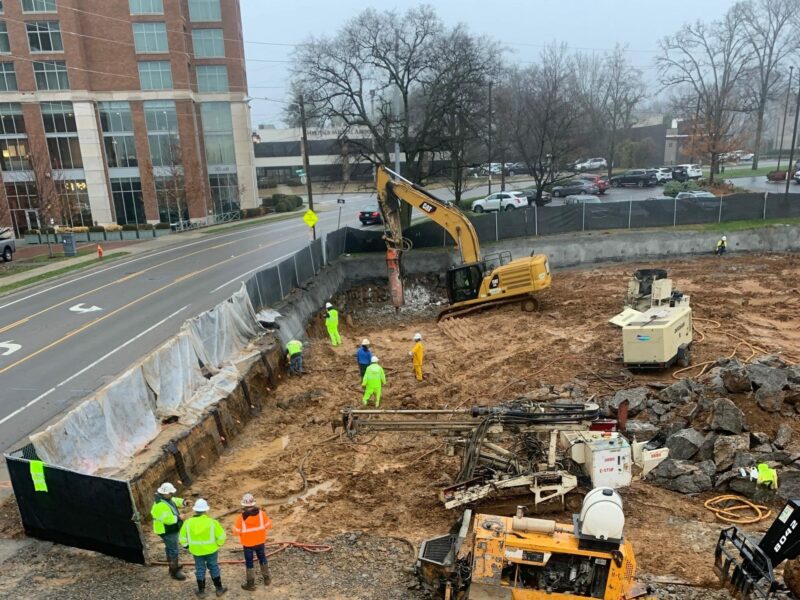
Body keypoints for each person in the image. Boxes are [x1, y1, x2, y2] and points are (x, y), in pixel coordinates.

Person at [179, 499, 227, 597]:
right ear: (206, 510)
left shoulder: (187, 523)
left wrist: (187, 546)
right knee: (214, 567)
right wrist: (218, 544)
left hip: (197, 551)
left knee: (200, 569)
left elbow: (182, 537)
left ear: (195, 510)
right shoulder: (212, 522)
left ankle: (201, 592)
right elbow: (221, 536)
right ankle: (219, 589)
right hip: (211, 550)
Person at [233, 493, 273, 590]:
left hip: (247, 544)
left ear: (244, 505)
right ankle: (267, 579)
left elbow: (236, 532)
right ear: (253, 503)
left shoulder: (240, 518)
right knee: (262, 558)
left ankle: (250, 584)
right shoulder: (261, 514)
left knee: (249, 562)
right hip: (260, 542)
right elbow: (268, 525)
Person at [150, 482, 188, 581]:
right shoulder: (160, 505)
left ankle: (171, 563)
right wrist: (179, 517)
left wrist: (183, 502)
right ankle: (174, 571)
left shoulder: (165, 499)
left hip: (169, 529)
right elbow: (167, 520)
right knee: (173, 550)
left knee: (170, 547)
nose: (172, 495)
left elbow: (174, 500)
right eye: (170, 493)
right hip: (167, 530)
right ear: (165, 493)